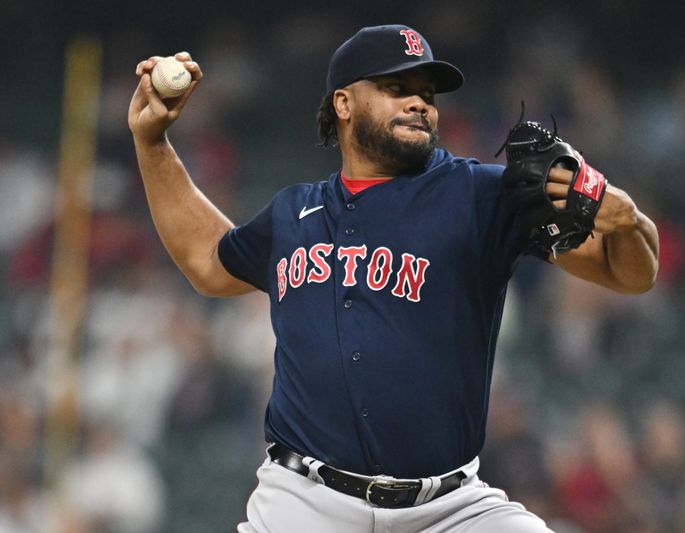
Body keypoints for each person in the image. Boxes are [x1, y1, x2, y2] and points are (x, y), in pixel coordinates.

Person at [128, 24, 658, 533]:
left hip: (449, 508)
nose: (419, 102)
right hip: (305, 504)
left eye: (427, 92)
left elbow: (629, 273)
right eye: (395, 87)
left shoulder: (479, 195)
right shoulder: (294, 213)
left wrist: (627, 220)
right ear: (343, 103)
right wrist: (152, 143)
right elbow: (207, 262)